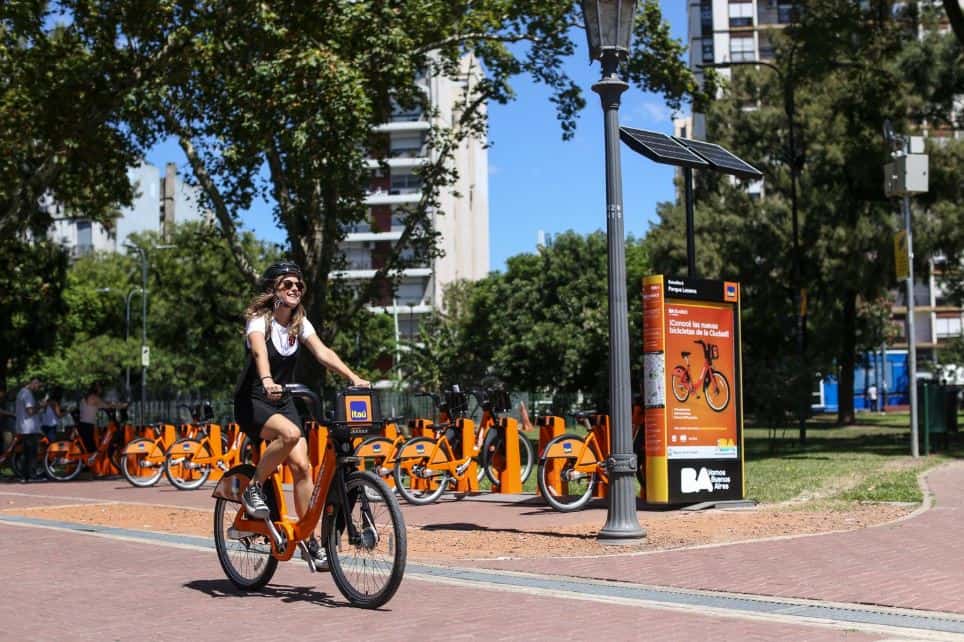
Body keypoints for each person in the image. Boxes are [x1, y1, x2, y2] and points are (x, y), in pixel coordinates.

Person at [234, 262, 369, 567]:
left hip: (283, 401)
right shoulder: (260, 321)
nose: (295, 288)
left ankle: (309, 539)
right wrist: (267, 380)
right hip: (254, 399)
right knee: (291, 434)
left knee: (303, 468)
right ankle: (253, 488)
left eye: (299, 285)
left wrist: (353, 377)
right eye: (288, 284)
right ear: (273, 290)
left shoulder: (299, 323)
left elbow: (323, 353)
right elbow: (259, 353)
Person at [77, 382, 125, 454]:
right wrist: (122, 405)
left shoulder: (85, 398)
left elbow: (101, 404)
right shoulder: (93, 397)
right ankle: (91, 464)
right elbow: (107, 405)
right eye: (100, 388)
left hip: (82, 424)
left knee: (88, 448)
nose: (101, 390)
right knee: (91, 449)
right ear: (96, 388)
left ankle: (88, 463)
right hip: (88, 426)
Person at [15, 377, 46, 482]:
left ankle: (25, 476)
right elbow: (30, 411)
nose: (38, 387)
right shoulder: (27, 394)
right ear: (32, 383)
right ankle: (31, 476)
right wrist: (40, 406)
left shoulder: (21, 392)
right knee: (31, 453)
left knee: (27, 453)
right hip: (29, 428)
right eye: (37, 384)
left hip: (25, 427)